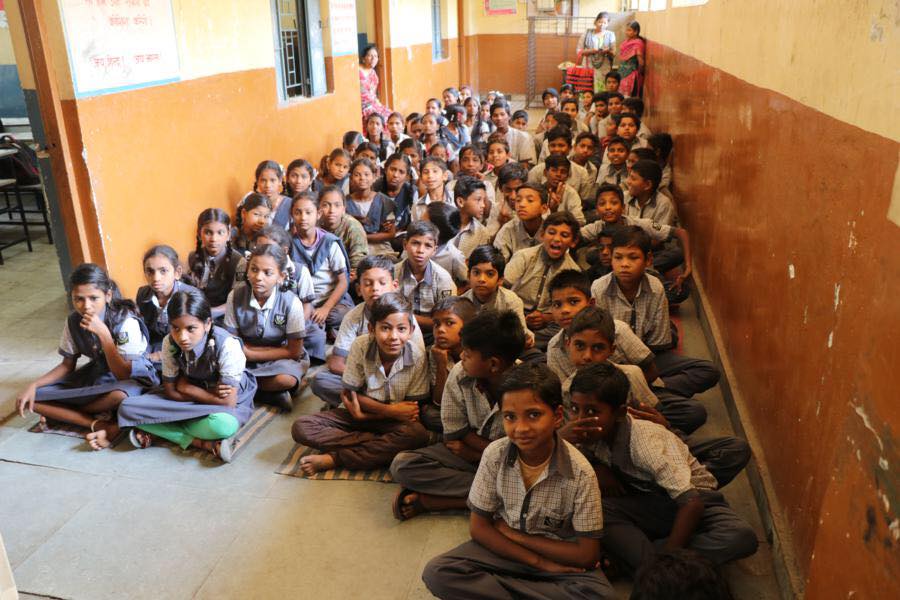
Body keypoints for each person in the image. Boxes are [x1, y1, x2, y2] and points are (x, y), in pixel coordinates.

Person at [422, 362, 615, 600]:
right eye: (510, 417)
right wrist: (539, 563)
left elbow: (586, 555)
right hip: (504, 550)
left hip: (555, 555)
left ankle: (501, 591)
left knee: (600, 595)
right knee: (439, 572)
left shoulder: (581, 473)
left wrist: (518, 536)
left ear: (557, 416)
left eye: (533, 415)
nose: (521, 428)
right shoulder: (495, 454)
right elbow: (479, 528)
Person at [565, 364, 758, 575]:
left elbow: (692, 504)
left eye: (592, 411)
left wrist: (669, 556)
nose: (579, 420)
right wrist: (566, 442)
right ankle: (654, 563)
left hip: (694, 501)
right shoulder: (588, 431)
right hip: (648, 501)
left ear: (619, 413)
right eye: (574, 409)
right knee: (595, 508)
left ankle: (647, 565)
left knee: (740, 537)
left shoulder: (646, 444)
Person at [390, 309, 526, 521]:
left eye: (468, 354)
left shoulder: (527, 388)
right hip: (472, 456)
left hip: (508, 462)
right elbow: (455, 434)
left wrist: (476, 454)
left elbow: (524, 451)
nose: (461, 357)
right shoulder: (460, 374)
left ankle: (435, 501)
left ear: (493, 364)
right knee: (403, 465)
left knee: (529, 480)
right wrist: (475, 452)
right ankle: (495, 494)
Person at [16, 263, 158, 448]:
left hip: (130, 376)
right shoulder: (73, 320)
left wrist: (104, 334)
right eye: (79, 299)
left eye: (93, 298)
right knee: (32, 400)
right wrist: (33, 385)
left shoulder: (125, 322)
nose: (86, 306)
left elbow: (123, 374)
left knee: (120, 396)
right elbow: (67, 365)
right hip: (97, 375)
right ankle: (98, 424)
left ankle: (66, 413)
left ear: (108, 296)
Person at [291, 293, 430, 474]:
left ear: (411, 330)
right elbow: (351, 394)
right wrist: (385, 411)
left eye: (401, 329)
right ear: (371, 329)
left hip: (391, 421)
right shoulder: (361, 345)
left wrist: (371, 417)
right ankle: (381, 445)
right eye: (385, 328)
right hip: (356, 413)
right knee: (301, 427)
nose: (393, 336)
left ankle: (335, 458)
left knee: (417, 434)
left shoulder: (417, 355)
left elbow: (411, 412)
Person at [115, 290, 257, 462]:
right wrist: (197, 393)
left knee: (223, 425)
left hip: (221, 401)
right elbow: (170, 392)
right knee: (127, 408)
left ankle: (162, 428)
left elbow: (228, 402)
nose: (182, 337)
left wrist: (187, 388)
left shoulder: (227, 345)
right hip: (193, 400)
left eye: (191, 329)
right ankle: (200, 442)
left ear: (207, 324)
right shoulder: (169, 342)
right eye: (175, 328)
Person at [591, 226, 721, 399]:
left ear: (648, 260)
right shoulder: (599, 289)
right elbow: (598, 341)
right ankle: (649, 391)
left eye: (633, 257)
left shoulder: (655, 287)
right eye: (618, 257)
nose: (624, 264)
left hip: (648, 358)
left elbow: (658, 344)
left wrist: (644, 369)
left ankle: (644, 390)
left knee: (708, 371)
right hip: (614, 362)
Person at [312, 255, 424, 407]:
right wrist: (370, 380)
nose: (375, 288)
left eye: (382, 283)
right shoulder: (353, 316)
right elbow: (336, 363)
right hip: (363, 378)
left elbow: (418, 360)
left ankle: (363, 406)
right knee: (321, 381)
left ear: (395, 286)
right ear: (359, 289)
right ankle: (377, 407)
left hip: (399, 381)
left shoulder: (405, 318)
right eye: (368, 284)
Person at [224, 244, 308, 411]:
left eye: (267, 273)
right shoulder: (235, 296)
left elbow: (294, 352)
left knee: (286, 379)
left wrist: (251, 353)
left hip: (279, 358)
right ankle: (269, 394)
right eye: (254, 270)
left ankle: (246, 389)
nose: (258, 277)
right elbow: (231, 342)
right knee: (218, 371)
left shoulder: (292, 303)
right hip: (243, 358)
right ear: (247, 271)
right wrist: (245, 354)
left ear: (281, 277)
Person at [504, 211, 581, 350]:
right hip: (516, 313)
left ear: (573, 242)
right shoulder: (524, 256)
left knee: (566, 329)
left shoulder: (573, 271)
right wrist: (519, 316)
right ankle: (524, 344)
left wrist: (547, 318)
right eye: (551, 232)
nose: (556, 239)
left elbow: (569, 308)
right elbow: (503, 287)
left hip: (547, 322)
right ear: (542, 234)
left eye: (564, 235)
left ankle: (521, 344)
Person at [288, 192, 353, 339]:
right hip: (302, 301)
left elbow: (343, 281)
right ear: (292, 215)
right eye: (298, 212)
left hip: (330, 300)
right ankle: (324, 329)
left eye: (308, 212)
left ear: (318, 214)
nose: (303, 217)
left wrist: (326, 308)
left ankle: (323, 325)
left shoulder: (329, 242)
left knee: (337, 315)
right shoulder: (289, 243)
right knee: (294, 317)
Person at [394, 221, 457, 344]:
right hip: (399, 335)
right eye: (415, 243)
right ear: (405, 244)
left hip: (433, 338)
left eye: (428, 245)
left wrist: (406, 316)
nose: (420, 250)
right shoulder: (393, 274)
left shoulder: (443, 279)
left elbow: (446, 321)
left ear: (434, 250)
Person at [135, 245, 199, 362]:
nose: (156, 278)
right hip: (153, 350)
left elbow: (196, 339)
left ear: (177, 273)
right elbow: (144, 332)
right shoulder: (143, 294)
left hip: (183, 352)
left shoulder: (192, 296)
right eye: (150, 271)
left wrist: (164, 354)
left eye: (163, 271)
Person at [425, 296, 478, 430]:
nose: (440, 330)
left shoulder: (477, 352)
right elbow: (439, 402)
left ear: (468, 327)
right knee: (429, 414)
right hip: (453, 409)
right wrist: (441, 365)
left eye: (449, 323)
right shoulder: (436, 351)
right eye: (436, 324)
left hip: (476, 408)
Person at [186, 208, 246, 321]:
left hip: (225, 317)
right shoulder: (193, 257)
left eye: (220, 232)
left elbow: (238, 301)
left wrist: (210, 313)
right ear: (199, 234)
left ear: (228, 234)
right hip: (195, 314)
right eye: (208, 232)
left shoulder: (239, 262)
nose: (214, 239)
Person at [461, 245, 531, 341]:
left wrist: (526, 338)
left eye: (490, 274)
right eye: (476, 273)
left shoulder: (511, 301)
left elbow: (520, 334)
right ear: (468, 275)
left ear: (500, 280)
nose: (482, 279)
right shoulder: (462, 303)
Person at [346, 157, 396, 256]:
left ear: (374, 177)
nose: (362, 178)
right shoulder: (344, 202)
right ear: (351, 178)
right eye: (357, 175)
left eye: (366, 174)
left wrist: (363, 237)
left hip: (380, 248)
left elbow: (391, 234)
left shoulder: (384, 201)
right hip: (353, 247)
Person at [317, 185, 368, 279]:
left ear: (344, 209)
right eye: (326, 205)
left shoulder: (353, 227)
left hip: (346, 275)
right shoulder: (313, 224)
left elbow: (358, 264)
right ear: (318, 207)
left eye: (337, 205)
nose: (332, 210)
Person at [493, 183, 546, 261]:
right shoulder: (508, 230)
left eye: (530, 200)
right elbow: (498, 264)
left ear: (544, 208)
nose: (521, 205)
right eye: (518, 200)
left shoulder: (551, 231)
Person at [451, 176, 490, 258]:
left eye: (483, 200)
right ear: (460, 202)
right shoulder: (442, 222)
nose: (483, 205)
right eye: (478, 200)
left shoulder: (482, 233)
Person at [576, 11, 616, 93]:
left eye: (605, 23)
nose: (602, 25)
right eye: (600, 22)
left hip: (604, 67)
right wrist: (591, 51)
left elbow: (614, 53)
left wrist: (608, 51)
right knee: (587, 91)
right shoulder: (587, 33)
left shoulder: (611, 35)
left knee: (601, 91)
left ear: (608, 24)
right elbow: (578, 51)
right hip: (588, 66)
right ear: (595, 22)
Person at [490, 101, 536, 169]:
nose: (499, 118)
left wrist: (508, 162)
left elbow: (528, 165)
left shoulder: (523, 137)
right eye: (495, 115)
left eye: (502, 114)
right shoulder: (488, 138)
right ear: (491, 118)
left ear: (509, 116)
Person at [358, 44, 392, 126]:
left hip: (372, 103)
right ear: (363, 58)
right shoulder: (357, 71)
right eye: (370, 56)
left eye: (376, 56)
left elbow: (373, 93)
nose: (373, 59)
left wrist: (379, 105)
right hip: (362, 105)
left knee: (391, 116)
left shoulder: (373, 74)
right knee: (381, 120)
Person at [619, 21, 646, 97]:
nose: (626, 32)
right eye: (626, 30)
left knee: (628, 96)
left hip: (631, 74)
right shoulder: (626, 42)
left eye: (629, 30)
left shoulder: (638, 43)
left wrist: (640, 72)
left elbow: (641, 62)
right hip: (622, 72)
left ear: (636, 32)